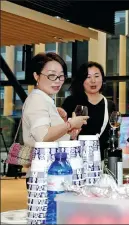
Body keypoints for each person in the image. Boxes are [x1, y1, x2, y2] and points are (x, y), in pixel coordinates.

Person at [23, 52, 89, 187]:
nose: (57, 80)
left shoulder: (45, 99)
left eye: (61, 76)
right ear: (36, 76)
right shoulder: (37, 99)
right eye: (52, 75)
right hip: (45, 174)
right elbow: (42, 136)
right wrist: (70, 124)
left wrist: (68, 131)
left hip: (50, 171)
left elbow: (50, 135)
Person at [62, 61, 116, 161]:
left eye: (96, 76)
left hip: (101, 160)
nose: (93, 81)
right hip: (75, 159)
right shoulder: (71, 102)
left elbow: (112, 132)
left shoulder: (109, 105)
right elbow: (60, 130)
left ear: (102, 78)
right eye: (88, 77)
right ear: (81, 80)